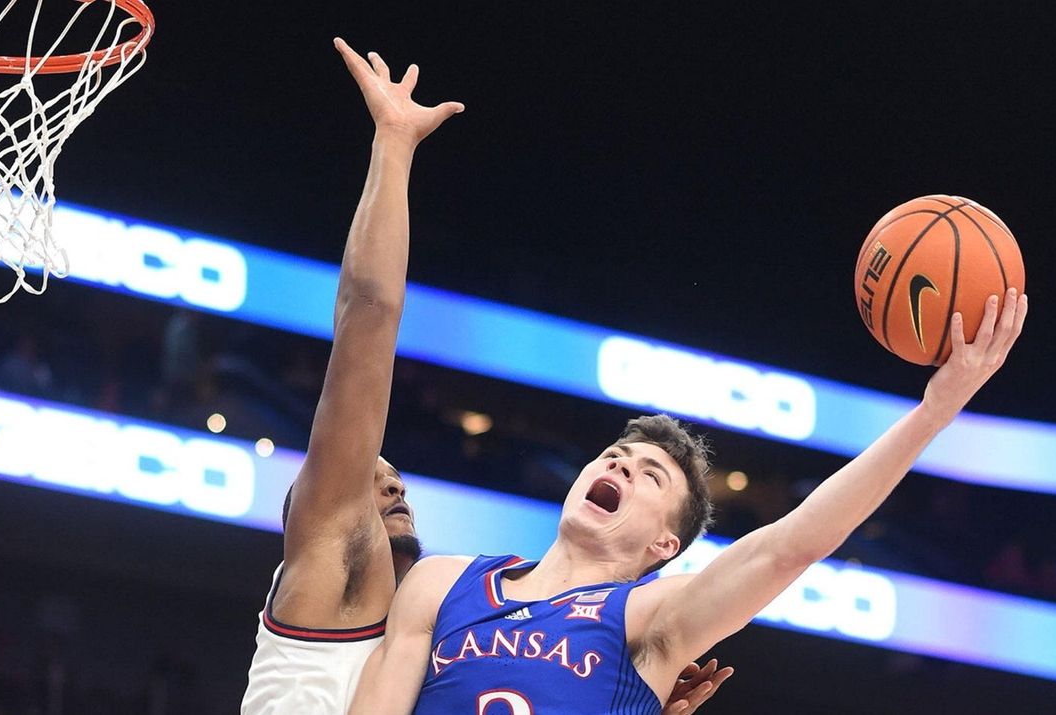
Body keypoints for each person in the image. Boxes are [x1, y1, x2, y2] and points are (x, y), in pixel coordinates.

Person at [241, 38, 731, 715]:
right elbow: (369, 315)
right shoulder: (331, 558)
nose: (393, 485)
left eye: (395, 480)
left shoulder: (433, 626)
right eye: (372, 480)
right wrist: (394, 145)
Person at [350, 290, 1029, 714]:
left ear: (663, 546)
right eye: (616, 455)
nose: (621, 463)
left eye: (651, 475)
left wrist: (933, 415)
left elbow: (790, 544)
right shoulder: (445, 582)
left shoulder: (651, 617)